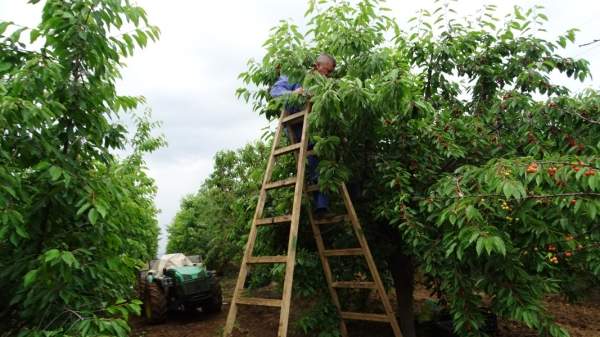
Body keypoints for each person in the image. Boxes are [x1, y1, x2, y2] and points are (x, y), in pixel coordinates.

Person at [269, 53, 336, 215]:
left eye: (329, 73)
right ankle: (319, 204)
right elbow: (275, 91)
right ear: (317, 66)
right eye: (325, 71)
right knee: (318, 158)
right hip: (296, 125)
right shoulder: (296, 75)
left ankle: (321, 206)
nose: (326, 75)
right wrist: (294, 94)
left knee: (326, 159)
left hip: (313, 128)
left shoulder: (323, 84)